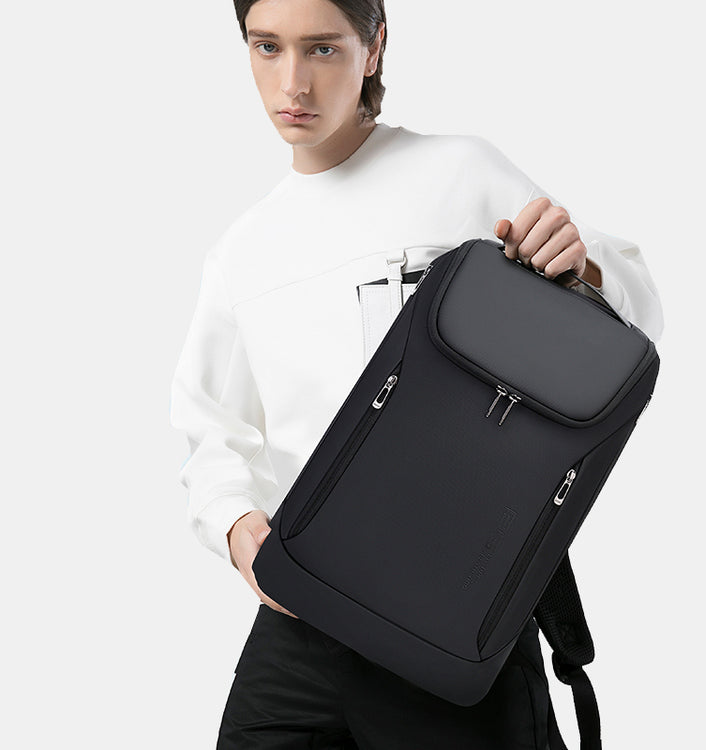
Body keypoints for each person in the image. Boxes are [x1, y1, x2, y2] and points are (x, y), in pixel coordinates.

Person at [169, 0, 664, 747]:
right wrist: (238, 529)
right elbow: (209, 424)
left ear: (373, 48)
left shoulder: (459, 172)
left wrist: (581, 267)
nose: (292, 83)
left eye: (322, 49)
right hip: (302, 614)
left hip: (449, 614)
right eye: (267, 47)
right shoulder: (241, 251)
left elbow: (635, 315)